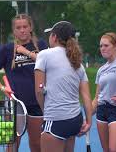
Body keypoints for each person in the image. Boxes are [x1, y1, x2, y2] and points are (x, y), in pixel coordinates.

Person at [0, 13, 48, 152]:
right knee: (13, 142)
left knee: (37, 143)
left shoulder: (41, 45)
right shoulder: (6, 49)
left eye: (25, 26)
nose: (22, 30)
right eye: (18, 27)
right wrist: (3, 88)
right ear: (14, 30)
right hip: (15, 103)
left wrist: (26, 52)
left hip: (37, 102)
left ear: (30, 27)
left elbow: (48, 65)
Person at [34, 21, 92, 152]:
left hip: (56, 120)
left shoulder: (44, 55)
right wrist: (89, 121)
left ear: (54, 37)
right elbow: (86, 97)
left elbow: (38, 90)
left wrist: (45, 111)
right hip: (75, 120)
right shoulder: (78, 63)